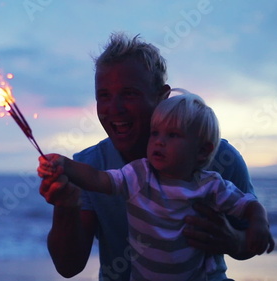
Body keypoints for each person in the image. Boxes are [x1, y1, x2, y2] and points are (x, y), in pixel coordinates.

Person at [39, 32, 261, 281]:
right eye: (104, 96)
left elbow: (252, 241)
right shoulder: (89, 166)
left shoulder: (218, 156)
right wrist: (65, 206)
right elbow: (69, 267)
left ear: (161, 97)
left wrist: (235, 241)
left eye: (129, 93)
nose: (114, 108)